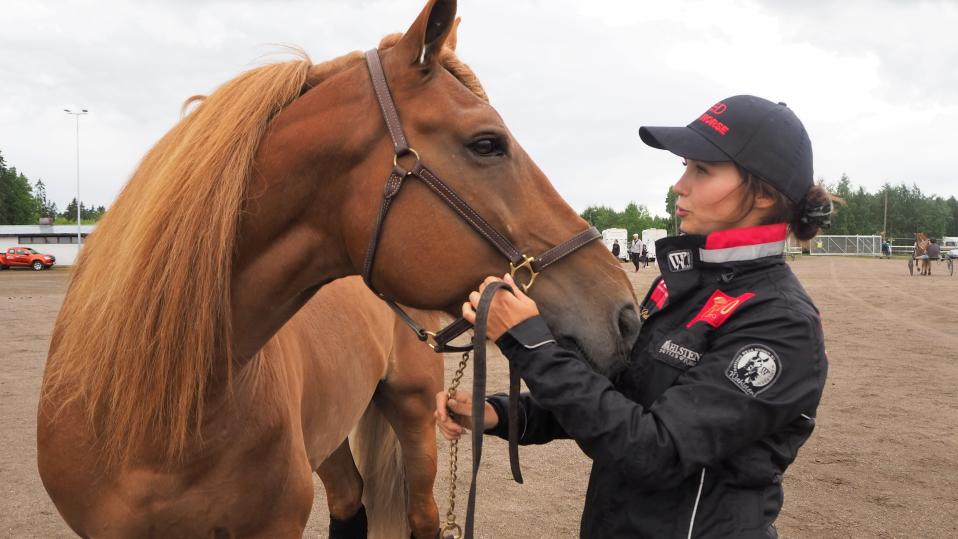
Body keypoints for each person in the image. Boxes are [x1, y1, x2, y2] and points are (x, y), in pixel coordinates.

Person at [436, 95, 830, 538]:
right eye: (685, 167)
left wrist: (530, 343)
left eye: (702, 170)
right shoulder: (681, 287)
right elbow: (619, 402)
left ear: (763, 193)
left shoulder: (781, 323)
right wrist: (501, 415)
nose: (680, 185)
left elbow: (654, 450)